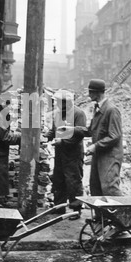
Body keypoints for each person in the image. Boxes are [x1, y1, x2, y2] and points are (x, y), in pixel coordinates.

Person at [45, 89, 86, 217]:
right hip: (60, 153)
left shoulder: (79, 114)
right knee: (59, 179)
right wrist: (46, 137)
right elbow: (54, 130)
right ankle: (59, 207)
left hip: (73, 154)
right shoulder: (57, 113)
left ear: (67, 102)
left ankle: (75, 209)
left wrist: (62, 142)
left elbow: (80, 134)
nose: (56, 104)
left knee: (73, 181)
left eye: (59, 102)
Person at [84, 79, 123, 197]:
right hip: (100, 154)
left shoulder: (111, 110)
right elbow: (91, 130)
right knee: (95, 186)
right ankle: (99, 215)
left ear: (97, 93)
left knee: (110, 188)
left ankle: (122, 214)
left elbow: (115, 135)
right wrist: (73, 130)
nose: (89, 94)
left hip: (110, 156)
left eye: (90, 92)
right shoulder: (98, 108)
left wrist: (95, 146)